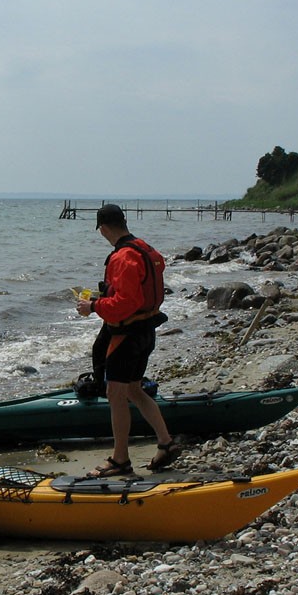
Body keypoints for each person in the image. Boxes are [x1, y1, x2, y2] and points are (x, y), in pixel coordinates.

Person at [75, 204, 177, 477]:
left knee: (115, 394)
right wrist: (99, 302)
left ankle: (120, 459)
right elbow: (139, 295)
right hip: (146, 331)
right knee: (134, 389)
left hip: (128, 336)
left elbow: (125, 303)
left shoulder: (122, 258)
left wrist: (93, 307)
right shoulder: (147, 249)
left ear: (104, 229)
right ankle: (166, 442)